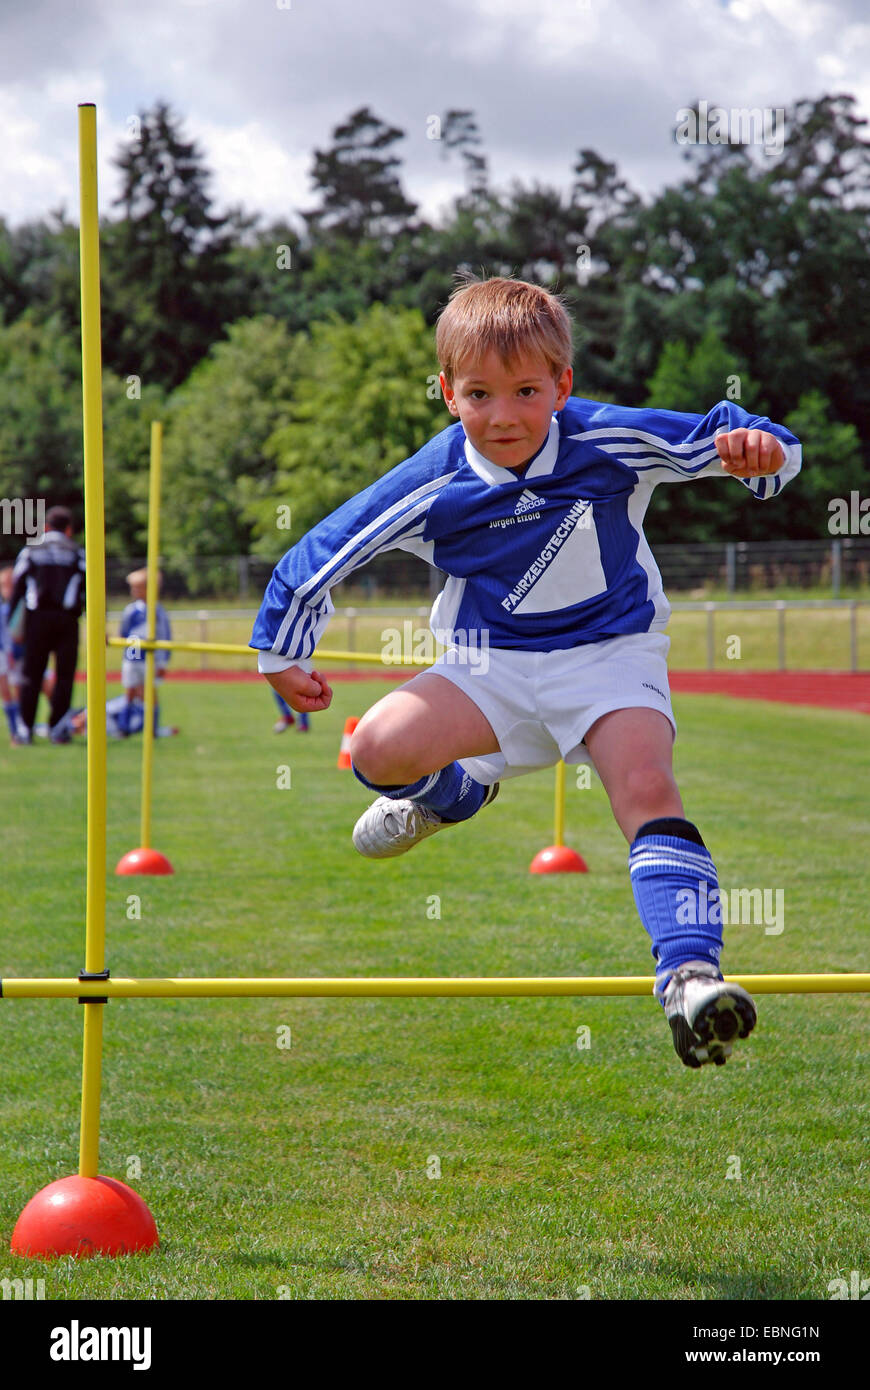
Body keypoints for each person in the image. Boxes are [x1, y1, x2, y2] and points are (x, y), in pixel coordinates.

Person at [250, 276, 802, 1069]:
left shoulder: (606, 440)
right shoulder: (433, 481)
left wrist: (763, 452)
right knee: (375, 749)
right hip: (489, 667)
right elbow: (324, 551)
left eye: (526, 391)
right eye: (478, 393)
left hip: (611, 656)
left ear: (562, 386)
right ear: (446, 393)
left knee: (645, 788)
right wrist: (283, 652)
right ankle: (454, 796)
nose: (502, 415)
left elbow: (728, 437)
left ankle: (689, 977)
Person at [6, 505, 86, 744]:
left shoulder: (31, 550)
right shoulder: (76, 552)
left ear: (45, 527)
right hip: (67, 620)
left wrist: (12, 627)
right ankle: (58, 729)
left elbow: (17, 589)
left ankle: (24, 730)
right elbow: (90, 589)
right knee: (64, 676)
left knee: (31, 675)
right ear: (69, 529)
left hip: (36, 620)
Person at [118, 568, 172, 736]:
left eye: (139, 588)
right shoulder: (131, 610)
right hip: (132, 658)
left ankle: (152, 728)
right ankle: (124, 726)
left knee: (150, 693)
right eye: (133, 588)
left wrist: (162, 661)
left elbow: (165, 635)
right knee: (130, 691)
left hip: (150, 659)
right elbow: (123, 632)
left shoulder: (157, 611)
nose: (135, 592)